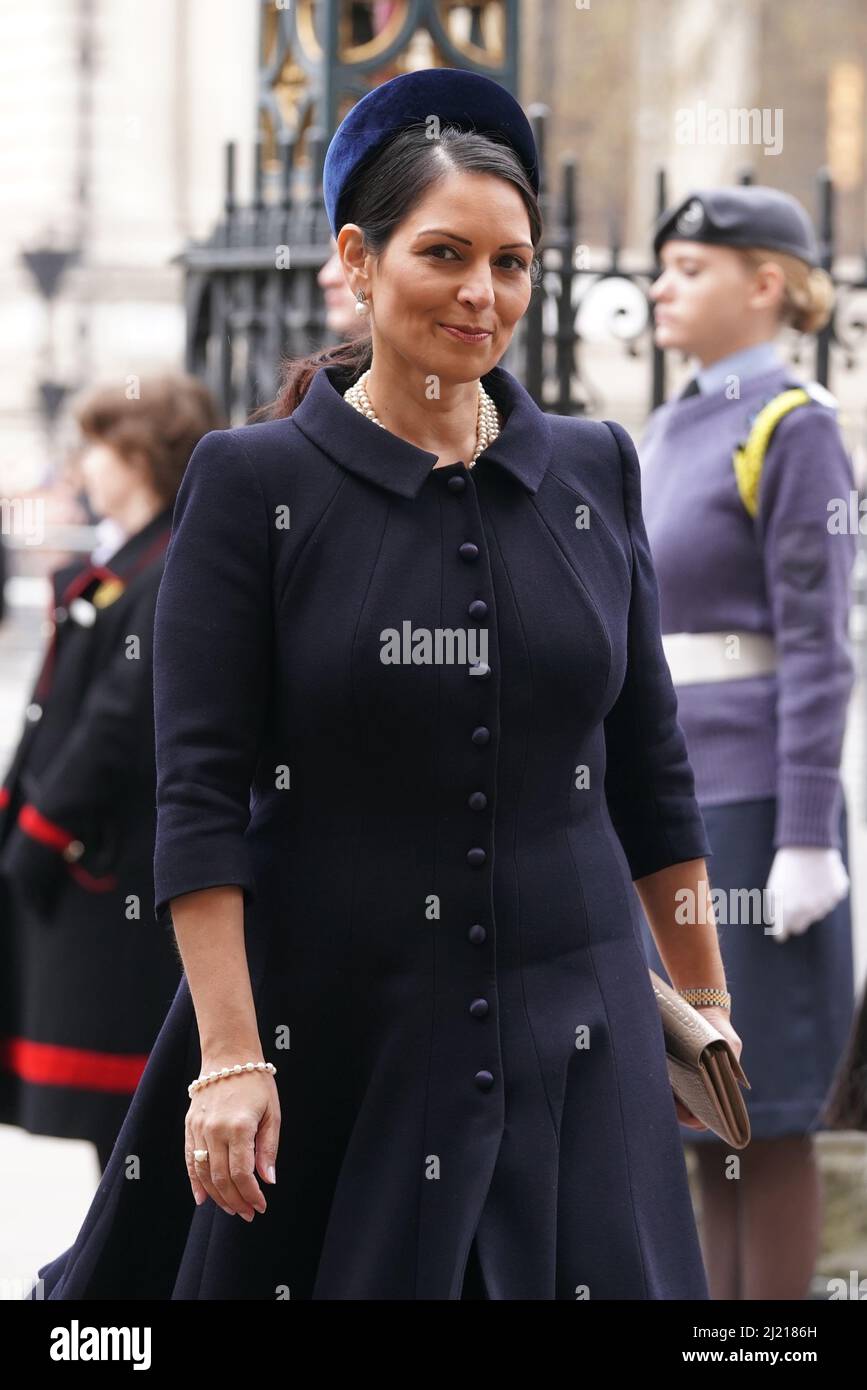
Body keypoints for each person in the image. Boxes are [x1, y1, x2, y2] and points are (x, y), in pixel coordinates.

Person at [26, 67, 740, 1302]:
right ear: (358, 261)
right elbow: (196, 794)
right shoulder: (250, 485)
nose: (483, 294)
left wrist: (708, 1004)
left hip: (582, 1029)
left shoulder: (594, 463)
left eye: (512, 263)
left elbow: (653, 770)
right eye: (446, 253)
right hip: (334, 1029)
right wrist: (233, 1056)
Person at [638, 186, 857, 1300]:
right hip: (671, 802)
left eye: (690, 266)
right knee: (695, 1109)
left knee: (762, 1116)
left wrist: (809, 833)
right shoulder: (671, 424)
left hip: (761, 809)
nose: (662, 286)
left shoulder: (794, 424)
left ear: (766, 282)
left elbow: (820, 649)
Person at [0, 373, 221, 1172]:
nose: (85, 466)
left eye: (97, 447)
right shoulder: (130, 556)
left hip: (111, 864)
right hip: (96, 865)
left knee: (135, 1120)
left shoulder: (168, 562)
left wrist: (37, 829)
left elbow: (119, 722)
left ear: (136, 454)